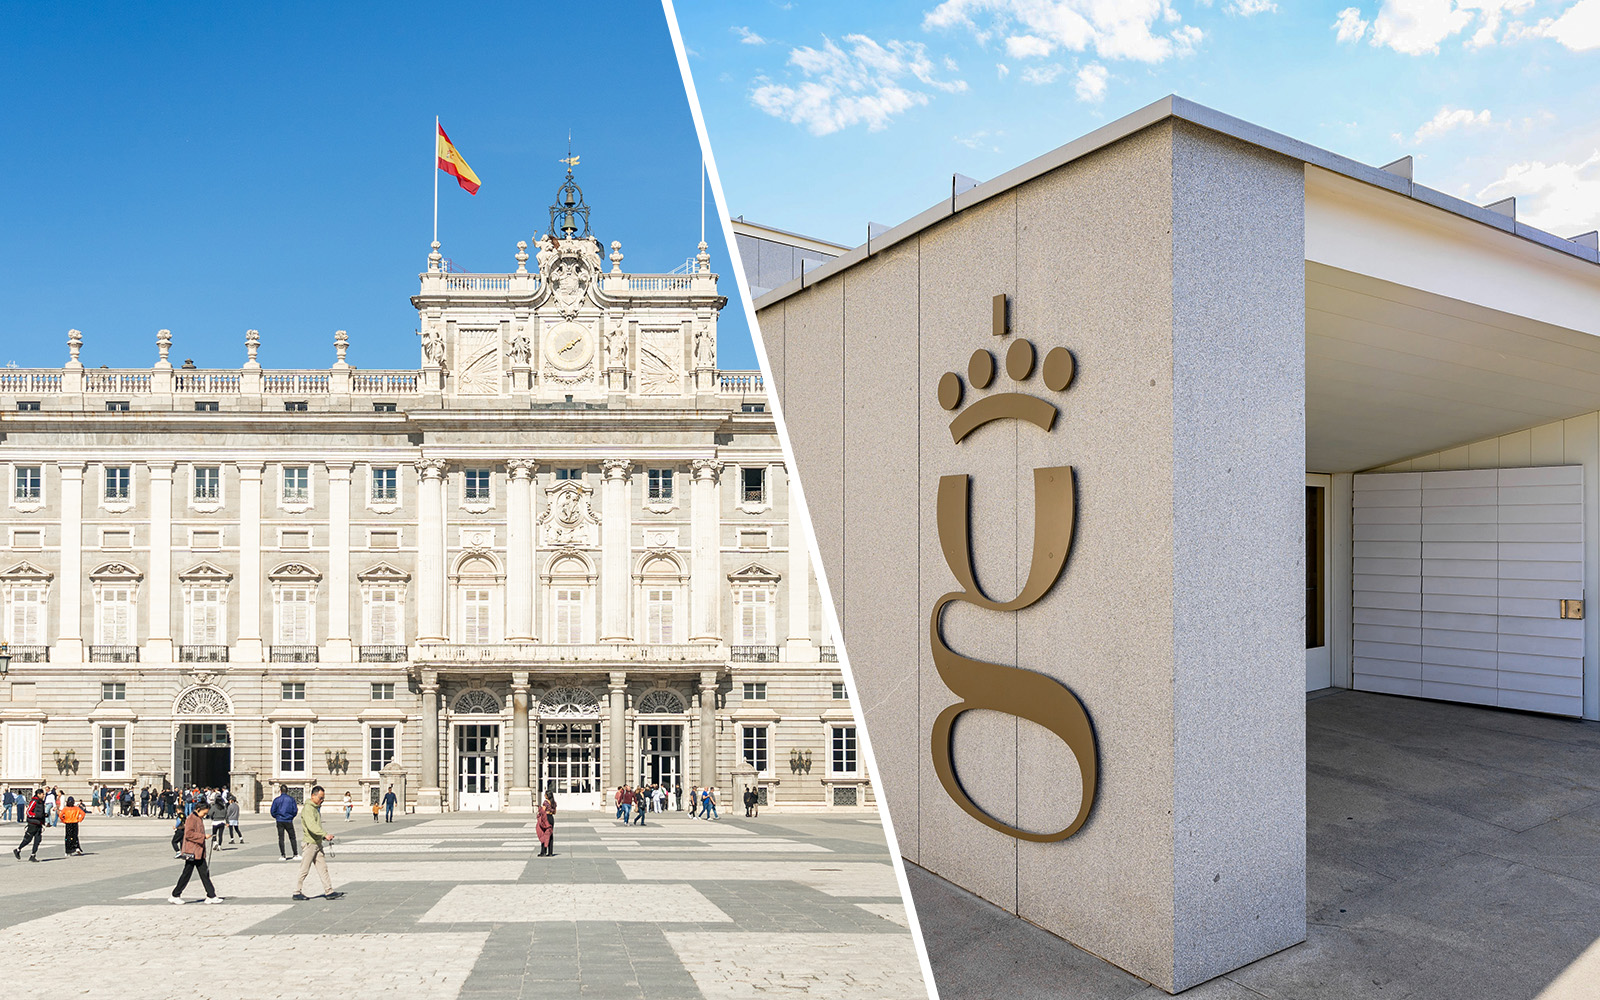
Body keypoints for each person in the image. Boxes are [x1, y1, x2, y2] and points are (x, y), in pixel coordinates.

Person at [292, 785, 342, 901]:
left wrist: (323, 838)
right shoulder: (308, 808)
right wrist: (324, 834)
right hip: (310, 843)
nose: (322, 801)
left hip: (317, 843)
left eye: (323, 798)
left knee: (322, 868)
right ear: (313, 796)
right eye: (320, 798)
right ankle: (296, 891)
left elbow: (316, 826)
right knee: (304, 868)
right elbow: (311, 826)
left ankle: (329, 891)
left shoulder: (315, 808)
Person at [170, 801, 221, 904]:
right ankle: (175, 895)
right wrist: (203, 837)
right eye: (204, 813)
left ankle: (211, 895)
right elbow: (188, 834)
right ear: (198, 809)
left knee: (204, 873)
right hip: (192, 851)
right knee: (186, 874)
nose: (205, 815)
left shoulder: (198, 818)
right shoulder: (191, 819)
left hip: (198, 851)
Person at [14, 789, 45, 861]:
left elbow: (41, 812)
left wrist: (43, 816)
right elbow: (28, 812)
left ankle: (33, 855)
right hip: (32, 823)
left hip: (39, 823)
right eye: (42, 794)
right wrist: (35, 815)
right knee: (28, 839)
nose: (43, 795)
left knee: (38, 840)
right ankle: (18, 850)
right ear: (38, 794)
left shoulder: (41, 802)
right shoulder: (34, 801)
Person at [270, 785, 300, 861]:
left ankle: (283, 855)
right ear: (287, 791)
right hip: (288, 820)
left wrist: (277, 817)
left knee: (281, 838)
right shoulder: (291, 799)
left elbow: (272, 811)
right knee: (292, 837)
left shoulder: (276, 800)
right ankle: (295, 854)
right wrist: (291, 817)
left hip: (279, 820)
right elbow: (295, 810)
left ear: (280, 791)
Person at [536, 791, 556, 857]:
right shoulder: (553, 803)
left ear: (547, 796)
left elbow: (543, 811)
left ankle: (543, 852)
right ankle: (550, 852)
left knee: (544, 834)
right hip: (551, 818)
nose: (544, 795)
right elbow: (554, 812)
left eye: (545, 794)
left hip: (546, 818)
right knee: (550, 835)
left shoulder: (545, 802)